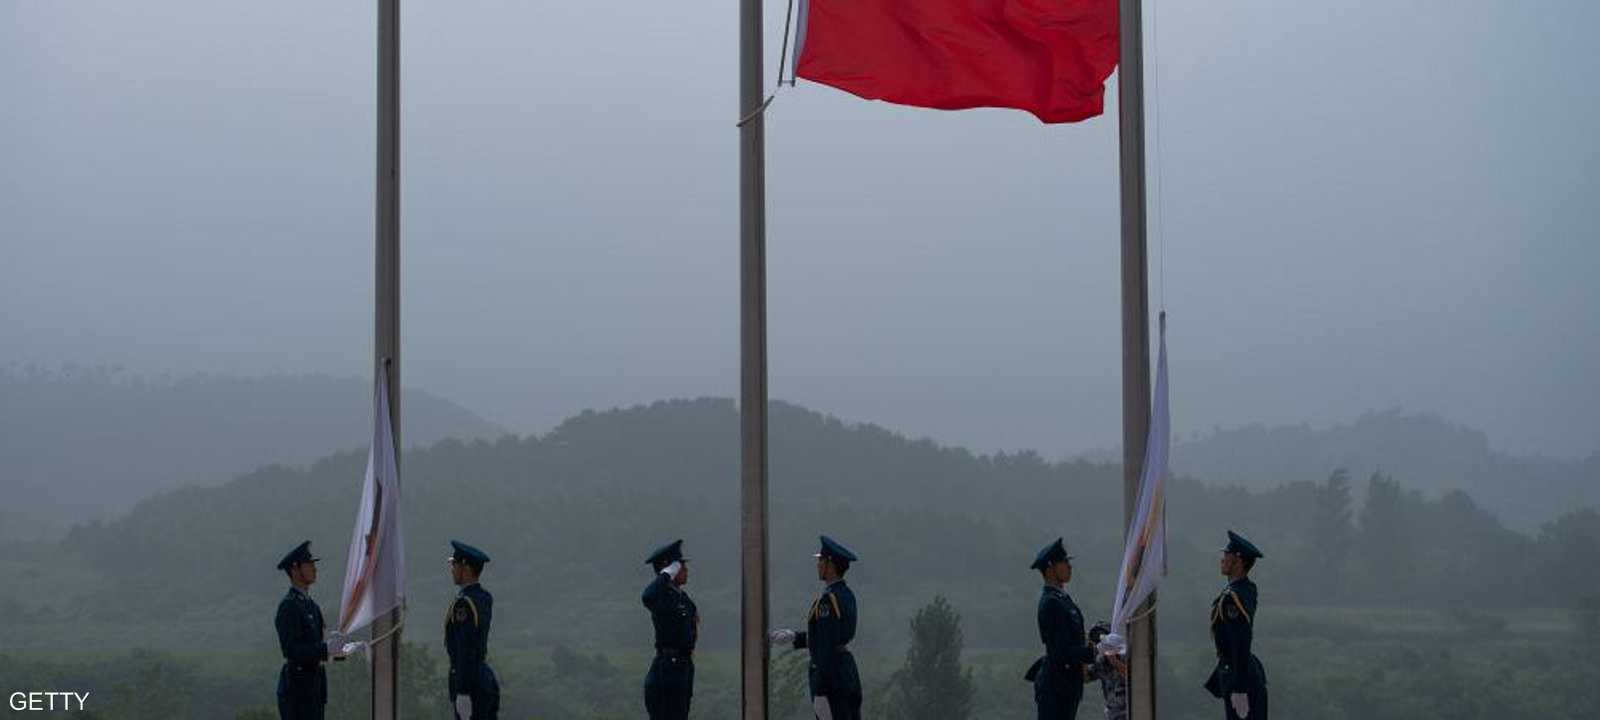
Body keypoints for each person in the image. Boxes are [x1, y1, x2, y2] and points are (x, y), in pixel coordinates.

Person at [769, 535, 861, 720]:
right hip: (845, 671)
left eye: (820, 560)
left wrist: (820, 688)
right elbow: (831, 636)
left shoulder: (828, 600)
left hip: (831, 679)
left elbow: (826, 645)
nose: (818, 565)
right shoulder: (846, 595)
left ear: (830, 564)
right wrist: (794, 637)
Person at [274, 541, 356, 720]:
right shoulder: (289, 606)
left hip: (314, 686)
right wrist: (325, 649)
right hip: (298, 688)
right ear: (295, 570)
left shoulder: (311, 606)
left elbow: (316, 647)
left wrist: (340, 650)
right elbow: (291, 650)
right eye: (308, 564)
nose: (314, 569)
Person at [1026, 538, 1094, 720]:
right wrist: (1093, 652)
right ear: (1050, 568)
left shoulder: (1062, 600)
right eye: (1064, 562)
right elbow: (1061, 651)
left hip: (1067, 685)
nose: (1069, 567)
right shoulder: (1051, 603)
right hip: (1056, 686)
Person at [1204, 530, 1268, 720]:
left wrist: (1239, 688)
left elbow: (1240, 642)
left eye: (1227, 555)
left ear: (1238, 561)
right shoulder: (1244, 589)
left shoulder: (1233, 599)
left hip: (1240, 676)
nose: (1222, 559)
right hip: (1239, 671)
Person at [641, 539, 699, 720]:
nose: (686, 570)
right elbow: (647, 596)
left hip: (682, 664)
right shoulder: (661, 596)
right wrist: (667, 573)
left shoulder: (681, 597)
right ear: (670, 569)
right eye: (681, 566)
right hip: (669, 666)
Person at [445, 540, 500, 720]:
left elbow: (465, 648)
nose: (452, 569)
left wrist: (463, 691)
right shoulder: (483, 598)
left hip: (471, 684)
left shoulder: (464, 604)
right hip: (483, 679)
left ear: (466, 568)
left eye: (454, 564)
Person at [1086, 621, 1129, 720]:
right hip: (1112, 712)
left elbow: (1135, 678)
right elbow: (1086, 677)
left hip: (1128, 710)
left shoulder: (1123, 655)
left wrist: (1114, 661)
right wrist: (1084, 655)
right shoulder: (1100, 661)